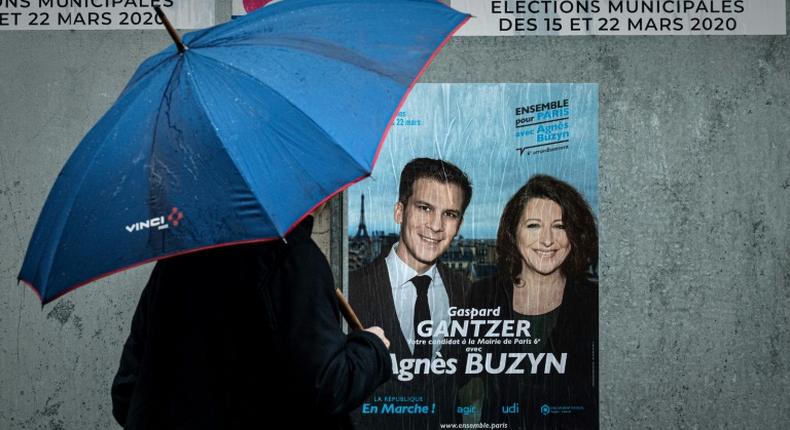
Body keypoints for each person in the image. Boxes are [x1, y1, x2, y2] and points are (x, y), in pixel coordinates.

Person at [111, 205, 392, 430]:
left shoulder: (178, 257)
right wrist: (372, 347)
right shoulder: (293, 259)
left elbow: (127, 393)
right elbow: (329, 385)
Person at [349, 157, 472, 429]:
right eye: (425, 208)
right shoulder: (351, 291)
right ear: (399, 212)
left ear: (459, 225)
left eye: (450, 214)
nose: (436, 225)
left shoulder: (468, 293)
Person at [467, 174, 598, 430]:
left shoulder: (594, 302)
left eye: (560, 226)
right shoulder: (482, 296)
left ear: (575, 234)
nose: (547, 240)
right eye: (534, 226)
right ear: (513, 232)